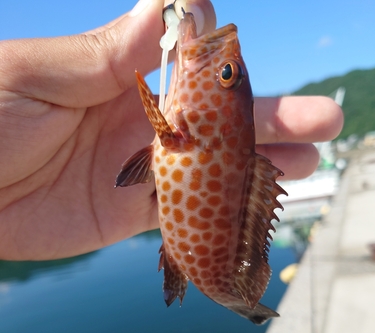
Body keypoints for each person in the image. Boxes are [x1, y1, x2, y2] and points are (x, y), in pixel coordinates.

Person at [0, 0, 343, 261]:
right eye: (227, 73)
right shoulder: (179, 134)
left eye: (225, 74)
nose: (221, 66)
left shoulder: (176, 133)